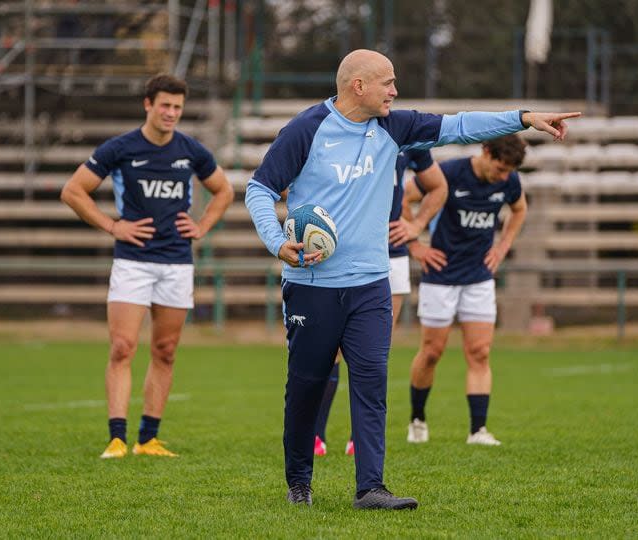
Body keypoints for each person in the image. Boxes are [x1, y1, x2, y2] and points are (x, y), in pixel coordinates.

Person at [245, 48, 578, 509]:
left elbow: (460, 125)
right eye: (388, 82)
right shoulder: (306, 129)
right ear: (357, 85)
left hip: (370, 284)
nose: (395, 92)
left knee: (371, 382)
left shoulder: (394, 126)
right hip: (312, 285)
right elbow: (260, 188)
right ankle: (299, 483)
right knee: (307, 385)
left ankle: (371, 488)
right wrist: (275, 239)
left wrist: (523, 117)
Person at [60, 74, 234, 459]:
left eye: (177, 107)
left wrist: (202, 225)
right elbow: (73, 191)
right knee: (122, 347)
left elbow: (225, 190)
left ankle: (148, 439)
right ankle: (117, 438)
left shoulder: (191, 151)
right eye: (165, 106)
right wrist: (112, 225)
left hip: (176, 263)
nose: (171, 113)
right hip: (133, 262)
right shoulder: (120, 148)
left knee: (166, 350)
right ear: (148, 105)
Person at [313, 151, 447, 458]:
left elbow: (438, 186)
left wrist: (415, 230)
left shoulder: (405, 135)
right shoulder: (338, 132)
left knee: (372, 352)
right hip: (343, 251)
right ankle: (316, 434)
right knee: (327, 349)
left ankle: (358, 438)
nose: (390, 98)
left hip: (391, 255)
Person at [405, 135, 528, 447]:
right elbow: (405, 197)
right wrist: (414, 244)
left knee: (480, 352)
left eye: (508, 172)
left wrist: (503, 247)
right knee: (432, 352)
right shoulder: (449, 172)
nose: (503, 177)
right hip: (440, 275)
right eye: (500, 169)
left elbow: (519, 209)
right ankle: (417, 419)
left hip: (479, 277)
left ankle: (478, 430)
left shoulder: (509, 180)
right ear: (485, 152)